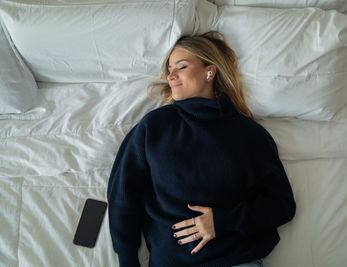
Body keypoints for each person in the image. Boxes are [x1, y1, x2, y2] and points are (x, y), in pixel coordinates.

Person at [107, 31, 296, 267]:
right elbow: (123, 196)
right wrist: (127, 261)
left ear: (210, 71)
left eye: (181, 67)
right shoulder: (153, 128)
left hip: (235, 260)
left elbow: (282, 205)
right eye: (169, 69)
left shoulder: (250, 136)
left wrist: (223, 222)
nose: (170, 76)